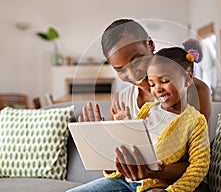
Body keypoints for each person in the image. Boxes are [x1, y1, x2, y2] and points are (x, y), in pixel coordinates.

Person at [70, 47, 210, 192]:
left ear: (187, 79)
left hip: (155, 185)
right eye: (152, 84)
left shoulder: (196, 121)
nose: (157, 89)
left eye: (164, 81)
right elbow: (133, 146)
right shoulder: (148, 109)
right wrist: (123, 126)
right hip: (124, 181)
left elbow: (199, 166)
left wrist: (173, 191)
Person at [80, 18, 212, 123]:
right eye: (121, 70)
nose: (132, 74)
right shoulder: (120, 102)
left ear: (150, 44)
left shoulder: (196, 90)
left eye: (137, 61)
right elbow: (119, 152)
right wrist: (100, 136)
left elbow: (199, 149)